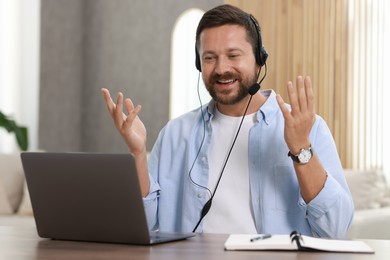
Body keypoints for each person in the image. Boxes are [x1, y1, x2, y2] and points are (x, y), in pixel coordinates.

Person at [102, 4, 354, 238]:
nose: (222, 68)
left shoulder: (307, 127)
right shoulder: (175, 133)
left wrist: (300, 149)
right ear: (199, 64)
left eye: (233, 55)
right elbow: (141, 226)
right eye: (210, 58)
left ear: (259, 60)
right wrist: (137, 153)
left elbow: (334, 228)